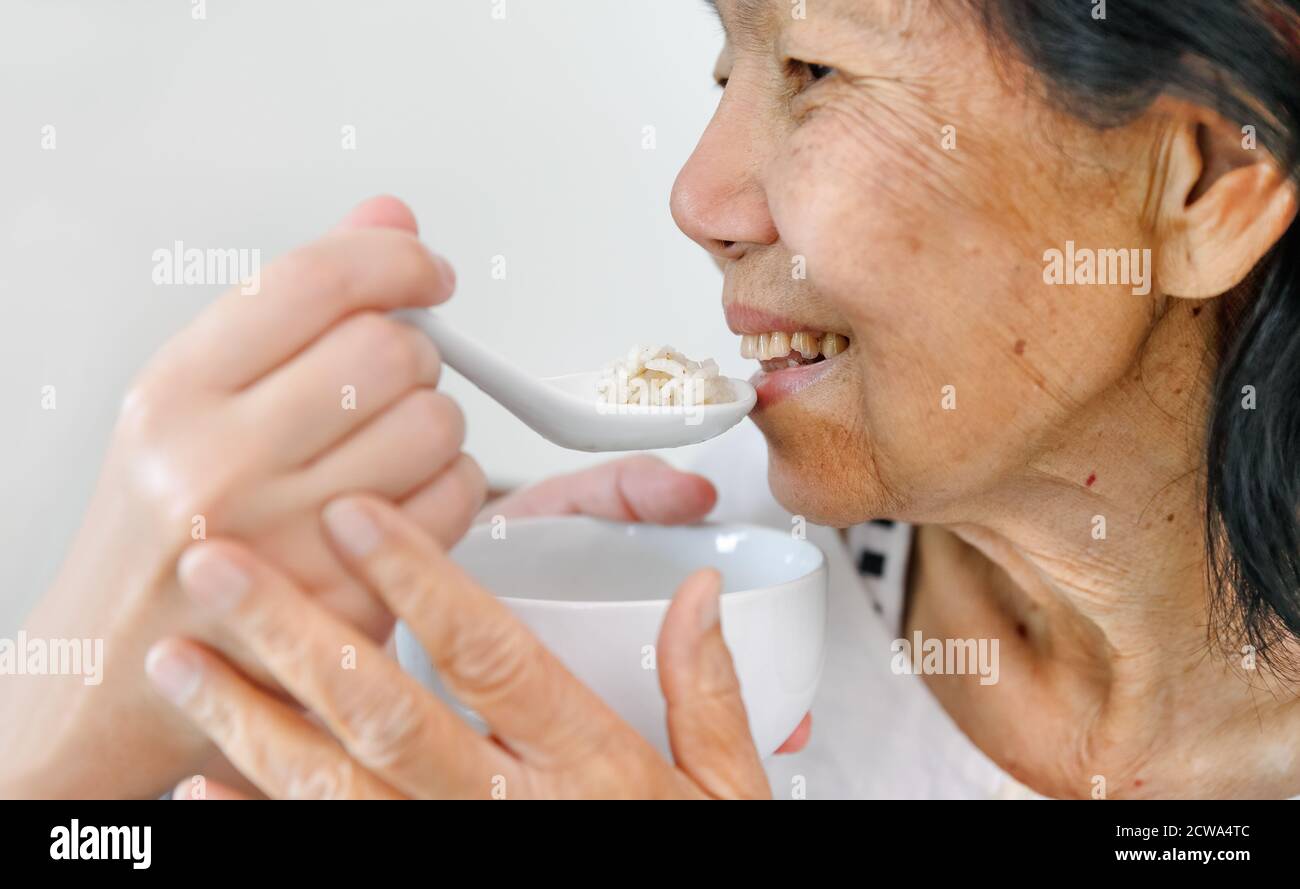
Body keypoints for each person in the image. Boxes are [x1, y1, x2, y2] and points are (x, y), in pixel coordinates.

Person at [2, 0, 1298, 798]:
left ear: (1204, 184)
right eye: (722, 72)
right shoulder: (607, 604)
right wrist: (65, 733)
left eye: (814, 70)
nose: (697, 197)